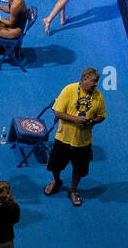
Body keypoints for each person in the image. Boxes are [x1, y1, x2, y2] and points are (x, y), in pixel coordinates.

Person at [45, 68, 106, 207]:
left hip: (83, 142)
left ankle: (73, 190)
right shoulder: (69, 90)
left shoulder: (98, 96)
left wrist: (92, 121)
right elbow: (58, 112)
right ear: (84, 79)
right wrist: (75, 119)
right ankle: (56, 180)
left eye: (97, 81)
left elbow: (102, 116)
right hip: (63, 138)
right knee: (55, 165)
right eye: (93, 81)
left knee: (79, 169)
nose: (96, 84)